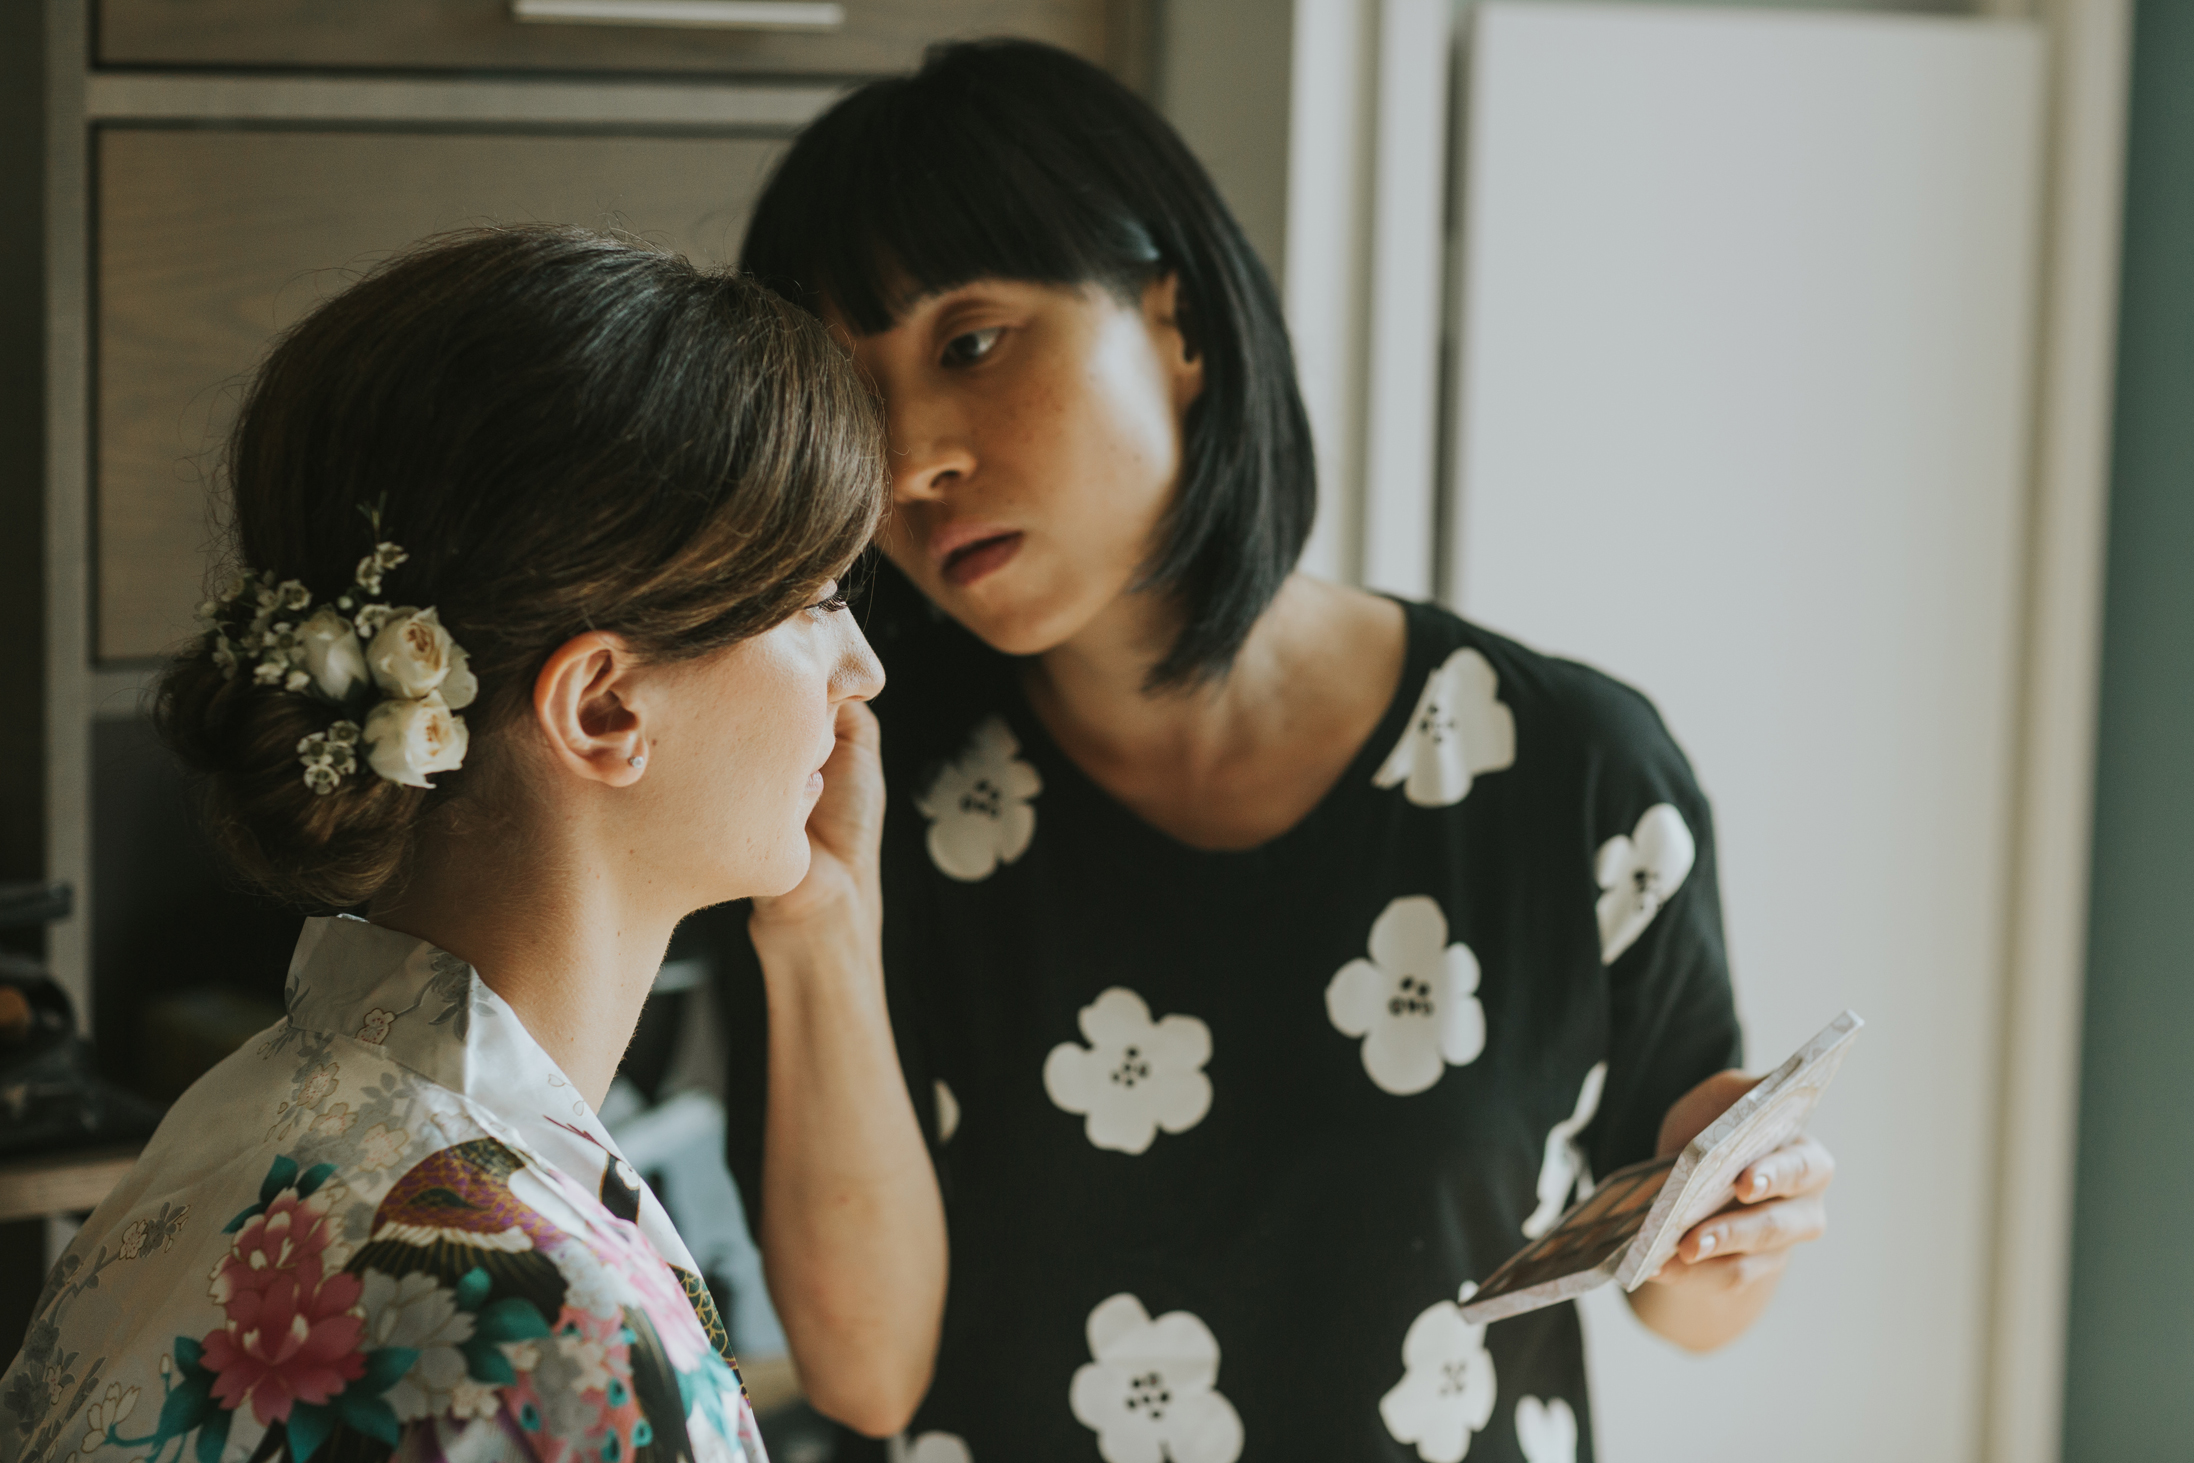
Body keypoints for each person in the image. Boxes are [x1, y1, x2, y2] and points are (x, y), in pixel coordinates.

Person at [715, 37, 1844, 1463]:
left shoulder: (1571, 774)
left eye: (971, 341)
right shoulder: (847, 814)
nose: (907, 456)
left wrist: (1731, 1227)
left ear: (1175, 323)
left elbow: (1691, 1314)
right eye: (850, 399)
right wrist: (818, 918)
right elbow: (868, 1375)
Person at [0, 226, 890, 1463]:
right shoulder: (545, 1321)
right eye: (817, 602)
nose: (863, 671)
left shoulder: (229, 1127)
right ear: (604, 708)